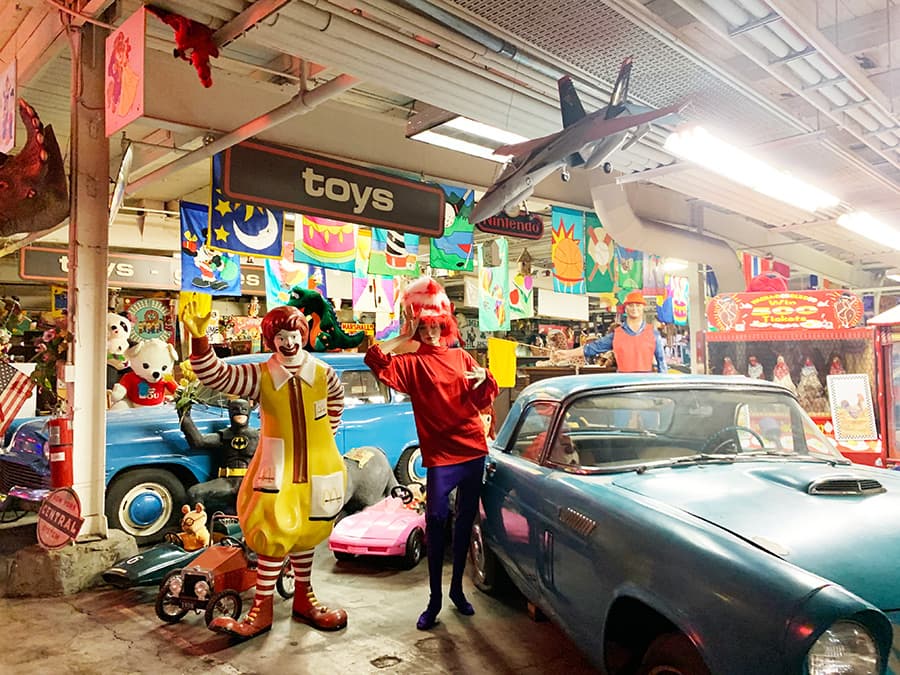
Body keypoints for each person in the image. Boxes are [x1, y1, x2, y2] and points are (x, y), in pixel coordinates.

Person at [180, 294, 347, 639]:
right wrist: (199, 338)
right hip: (277, 470)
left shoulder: (325, 373)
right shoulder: (260, 376)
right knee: (271, 533)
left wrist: (323, 442)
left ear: (304, 334)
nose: (289, 343)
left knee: (307, 533)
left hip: (317, 470)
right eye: (280, 338)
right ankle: (262, 609)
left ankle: (305, 598)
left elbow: (336, 402)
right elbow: (215, 374)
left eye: (294, 334)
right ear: (271, 341)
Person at [364, 277, 499, 631]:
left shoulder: (461, 356)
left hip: (472, 450)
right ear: (417, 328)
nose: (431, 332)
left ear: (445, 322)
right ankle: (435, 599)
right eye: (423, 326)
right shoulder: (410, 364)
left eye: (435, 324)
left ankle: (455, 591)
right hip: (440, 456)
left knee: (465, 523)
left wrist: (485, 377)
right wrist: (403, 336)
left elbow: (482, 400)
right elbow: (375, 359)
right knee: (436, 523)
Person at [553, 291, 666, 373]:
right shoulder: (617, 334)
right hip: (622, 385)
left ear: (643, 308)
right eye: (631, 305)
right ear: (626, 309)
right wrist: (567, 354)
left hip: (645, 385)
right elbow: (592, 348)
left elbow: (662, 362)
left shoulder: (653, 333)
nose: (634, 308)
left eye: (638, 305)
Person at [180, 398, 258, 514]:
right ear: (230, 412)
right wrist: (185, 418)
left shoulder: (258, 436)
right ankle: (200, 526)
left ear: (249, 411)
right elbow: (198, 441)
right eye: (236, 409)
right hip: (227, 481)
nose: (240, 412)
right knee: (194, 493)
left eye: (244, 409)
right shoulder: (223, 436)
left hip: (251, 482)